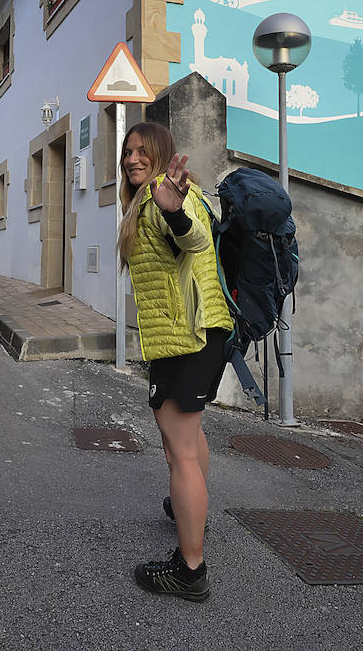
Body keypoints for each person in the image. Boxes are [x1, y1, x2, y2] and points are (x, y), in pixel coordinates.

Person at [118, 121, 232, 602]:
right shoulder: (166, 197)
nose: (131, 159)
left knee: (179, 449)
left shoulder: (167, 198)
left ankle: (190, 570)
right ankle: (192, 508)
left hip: (188, 338)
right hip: (198, 333)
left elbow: (193, 242)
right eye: (127, 152)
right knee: (187, 437)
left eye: (142, 151)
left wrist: (175, 213)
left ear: (162, 154)